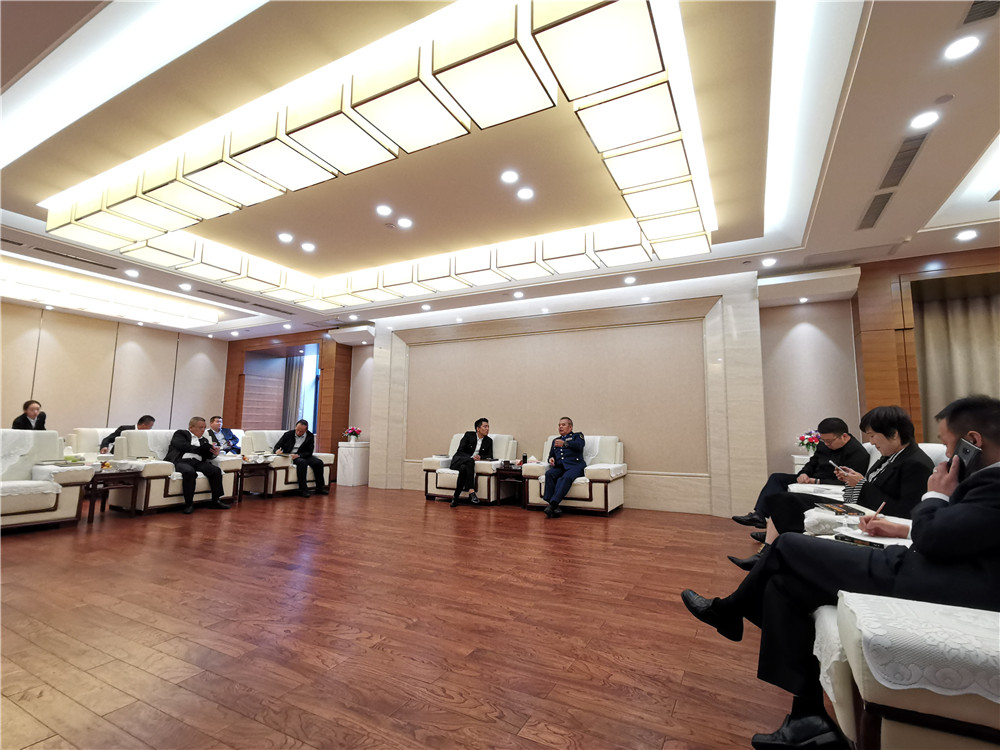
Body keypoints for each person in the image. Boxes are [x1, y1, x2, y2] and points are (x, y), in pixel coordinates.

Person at [681, 395, 1000, 750]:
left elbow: (936, 533)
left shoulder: (992, 481)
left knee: (788, 545)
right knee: (784, 585)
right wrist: (904, 528)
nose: (947, 454)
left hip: (927, 577)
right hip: (925, 564)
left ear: (973, 441)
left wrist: (936, 497)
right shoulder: (981, 481)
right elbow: (964, 533)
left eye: (948, 444)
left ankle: (730, 611)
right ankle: (807, 719)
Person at [730, 407, 935, 570]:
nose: (871, 442)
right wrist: (854, 480)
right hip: (858, 503)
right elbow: (872, 485)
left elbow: (902, 511)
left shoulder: (916, 464)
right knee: (784, 498)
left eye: (873, 436)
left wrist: (860, 484)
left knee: (788, 501)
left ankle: (766, 555)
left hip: (867, 513)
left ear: (894, 434)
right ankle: (767, 551)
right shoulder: (891, 456)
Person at [732, 417, 869, 529]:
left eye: (829, 441)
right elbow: (812, 462)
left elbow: (849, 482)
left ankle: (778, 530)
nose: (826, 444)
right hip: (812, 480)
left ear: (844, 436)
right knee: (777, 478)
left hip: (829, 485)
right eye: (824, 440)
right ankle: (759, 515)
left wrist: (816, 481)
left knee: (785, 497)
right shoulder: (824, 445)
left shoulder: (857, 453)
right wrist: (804, 473)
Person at [164, 416, 230, 515]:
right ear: (191, 427)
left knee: (216, 470)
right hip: (181, 461)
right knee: (189, 472)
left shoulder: (204, 440)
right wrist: (199, 449)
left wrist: (214, 454)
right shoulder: (181, 434)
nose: (203, 430)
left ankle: (216, 501)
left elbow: (207, 455)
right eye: (200, 428)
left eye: (204, 427)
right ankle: (189, 504)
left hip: (198, 462)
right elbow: (182, 445)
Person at [542, 417, 586, 519]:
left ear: (570, 427)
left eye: (563, 425)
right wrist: (551, 459)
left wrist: (565, 444)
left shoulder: (577, 436)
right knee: (549, 474)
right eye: (559, 425)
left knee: (565, 478)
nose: (560, 427)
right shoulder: (555, 440)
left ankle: (552, 504)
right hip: (560, 466)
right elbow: (551, 455)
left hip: (575, 466)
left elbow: (579, 445)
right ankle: (554, 506)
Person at [274, 419, 327, 498]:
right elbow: (277, 446)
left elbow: (309, 451)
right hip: (291, 456)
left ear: (306, 430)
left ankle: (320, 488)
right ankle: (303, 489)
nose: (298, 433)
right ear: (295, 427)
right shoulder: (288, 434)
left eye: (301, 431)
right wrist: (277, 451)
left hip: (303, 455)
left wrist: (299, 455)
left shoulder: (310, 436)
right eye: (297, 430)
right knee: (302, 462)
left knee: (318, 463)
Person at [449, 417, 493, 507]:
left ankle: (455, 498)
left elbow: (490, 455)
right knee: (470, 461)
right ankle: (471, 490)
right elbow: (460, 450)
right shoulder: (468, 435)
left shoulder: (488, 441)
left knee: (463, 469)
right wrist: (471, 457)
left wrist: (480, 457)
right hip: (458, 461)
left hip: (467, 465)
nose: (487, 429)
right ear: (478, 428)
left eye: (488, 426)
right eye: (485, 426)